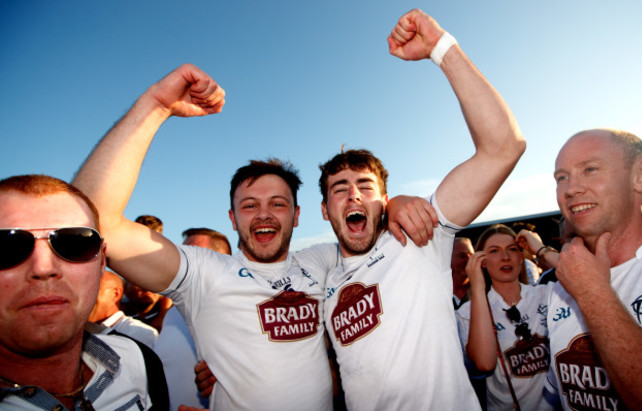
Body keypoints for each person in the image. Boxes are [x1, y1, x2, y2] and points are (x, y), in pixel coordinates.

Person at [72, 64, 432, 410]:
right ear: (232, 218)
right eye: (249, 205)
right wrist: (155, 105)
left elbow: (365, 228)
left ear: (296, 216)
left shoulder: (321, 260)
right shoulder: (203, 274)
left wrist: (395, 203)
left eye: (278, 204)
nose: (263, 214)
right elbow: (95, 221)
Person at [317, 9, 526, 410]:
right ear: (326, 211)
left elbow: (503, 146)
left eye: (366, 187)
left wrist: (441, 49)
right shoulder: (319, 275)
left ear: (384, 198)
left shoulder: (417, 233)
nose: (354, 196)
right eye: (340, 190)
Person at [0, 174, 164, 410]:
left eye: (75, 244)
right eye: (8, 246)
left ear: (101, 263)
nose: (44, 268)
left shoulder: (136, 360)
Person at [545, 129, 642, 409]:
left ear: (641, 175)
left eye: (590, 169)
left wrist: (591, 291)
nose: (571, 189)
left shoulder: (575, 283)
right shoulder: (560, 288)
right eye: (561, 178)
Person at [456, 224, 554, 410]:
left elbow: (589, 282)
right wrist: (476, 285)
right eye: (494, 251)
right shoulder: (467, 313)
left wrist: (541, 250)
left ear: (521, 256)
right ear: (481, 261)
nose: (505, 257)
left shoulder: (547, 295)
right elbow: (484, 364)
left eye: (512, 249)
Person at [154, 228, 232, 410]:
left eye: (192, 253)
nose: (182, 260)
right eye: (180, 252)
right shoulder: (173, 313)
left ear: (223, 259)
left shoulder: (247, 310)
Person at [123, 214, 173, 332]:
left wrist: (163, 315)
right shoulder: (125, 253)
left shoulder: (164, 255)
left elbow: (171, 287)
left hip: (156, 306)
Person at [88, 270, 159, 348]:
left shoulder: (141, 334)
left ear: (115, 293)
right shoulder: (77, 329)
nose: (83, 296)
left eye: (92, 289)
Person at [452, 237, 474, 309]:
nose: (469, 260)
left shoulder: (483, 291)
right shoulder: (437, 294)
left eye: (471, 256)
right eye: (462, 256)